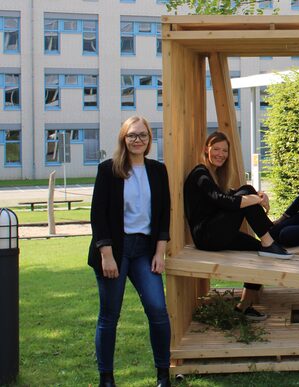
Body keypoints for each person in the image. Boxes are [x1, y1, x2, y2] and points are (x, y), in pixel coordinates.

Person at [88, 116, 172, 387]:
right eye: (132, 135)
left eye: (143, 135)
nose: (138, 140)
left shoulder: (158, 170)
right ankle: (107, 378)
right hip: (115, 249)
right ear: (123, 138)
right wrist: (106, 254)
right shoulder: (108, 170)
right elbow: (98, 215)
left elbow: (162, 215)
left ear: (149, 140)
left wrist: (160, 252)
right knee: (109, 315)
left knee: (158, 310)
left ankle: (163, 375)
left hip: (145, 250)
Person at [184, 131, 292, 321]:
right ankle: (270, 239)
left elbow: (229, 195)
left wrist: (256, 196)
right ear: (206, 150)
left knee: (259, 251)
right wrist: (253, 198)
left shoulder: (215, 175)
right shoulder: (199, 173)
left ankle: (244, 306)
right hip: (207, 236)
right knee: (247, 194)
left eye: (224, 150)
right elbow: (223, 201)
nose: (220, 154)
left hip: (217, 232)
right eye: (216, 149)